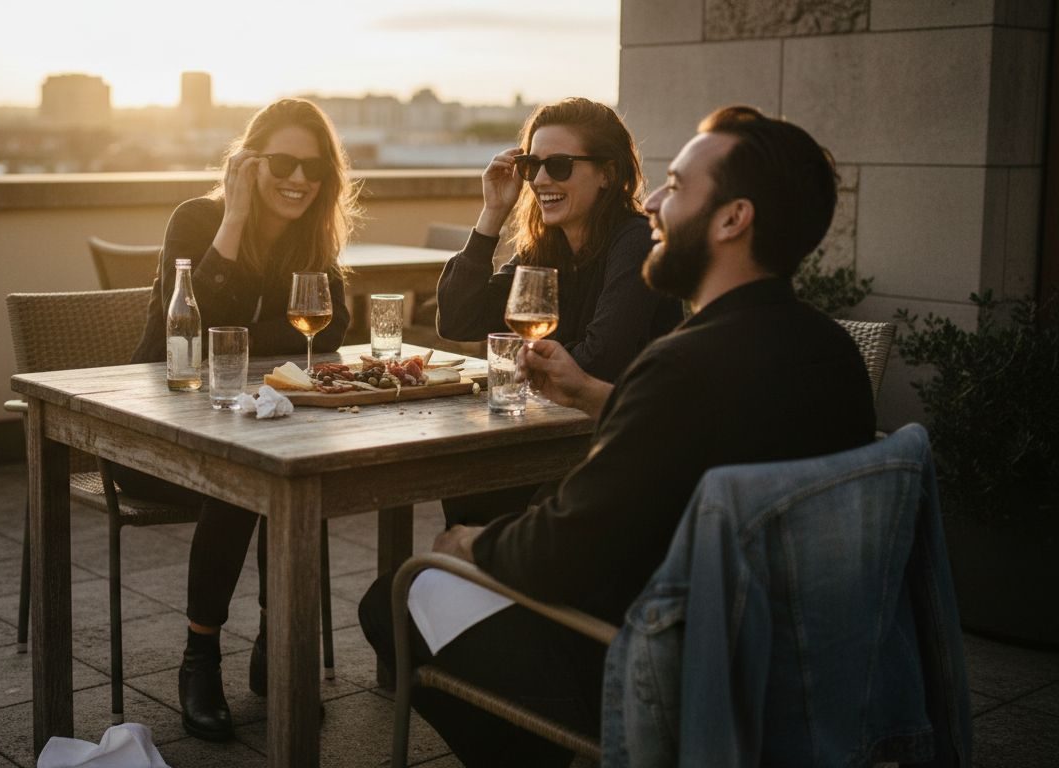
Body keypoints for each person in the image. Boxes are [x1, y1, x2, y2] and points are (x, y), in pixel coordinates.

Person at [358, 106, 877, 767]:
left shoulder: (682, 366)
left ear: (731, 218)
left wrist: (471, 544)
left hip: (652, 658)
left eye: (678, 186)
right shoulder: (831, 355)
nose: (654, 201)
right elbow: (702, 436)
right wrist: (599, 397)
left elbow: (563, 548)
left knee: (399, 593)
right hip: (781, 659)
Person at [115, 98, 359, 742]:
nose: (299, 179)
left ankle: (272, 648)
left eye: (313, 167)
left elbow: (335, 328)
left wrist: (244, 331)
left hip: (250, 428)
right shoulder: (196, 220)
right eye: (283, 162)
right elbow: (189, 323)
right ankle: (207, 660)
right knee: (249, 475)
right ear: (249, 164)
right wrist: (237, 218)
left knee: (263, 468)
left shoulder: (310, 242)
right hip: (147, 436)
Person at [434, 97, 681, 526]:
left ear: (607, 173)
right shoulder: (545, 250)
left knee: (481, 493)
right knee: (465, 484)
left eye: (560, 165)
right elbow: (457, 319)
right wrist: (492, 213)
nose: (541, 179)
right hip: (549, 436)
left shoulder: (635, 241)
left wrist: (521, 367)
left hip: (616, 454)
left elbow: (603, 360)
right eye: (532, 165)